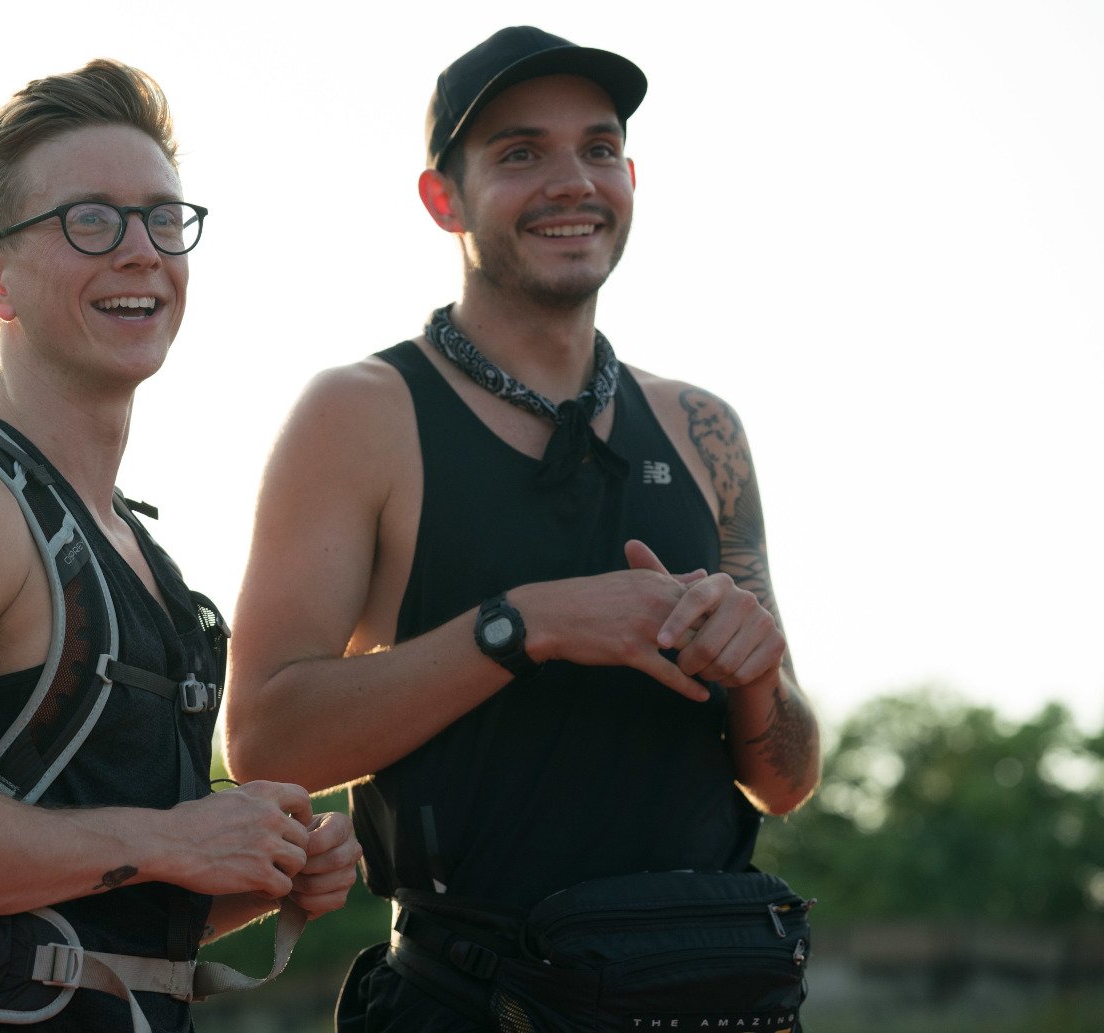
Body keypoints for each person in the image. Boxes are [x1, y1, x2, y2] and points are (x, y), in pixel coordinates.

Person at [223, 26, 820, 1031]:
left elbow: (785, 779)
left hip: (711, 992)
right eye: (518, 152)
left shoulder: (700, 426)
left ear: (629, 177)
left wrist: (755, 674)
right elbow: (268, 741)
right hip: (474, 996)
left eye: (596, 149)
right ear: (441, 198)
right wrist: (525, 624)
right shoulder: (360, 413)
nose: (569, 180)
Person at [0, 59, 361, 1032]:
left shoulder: (139, 551)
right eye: (88, 220)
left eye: (161, 216)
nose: (141, 250)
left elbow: (100, 909)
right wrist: (170, 836)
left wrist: (257, 873)